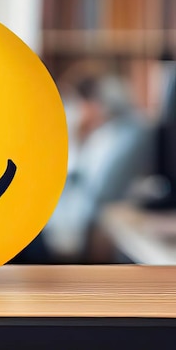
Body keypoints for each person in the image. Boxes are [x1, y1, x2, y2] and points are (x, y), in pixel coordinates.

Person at [14, 64, 150, 263]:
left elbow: (97, 193)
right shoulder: (92, 136)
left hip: (69, 231)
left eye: (73, 102)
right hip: (56, 224)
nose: (70, 111)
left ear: (93, 104)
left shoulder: (121, 136)